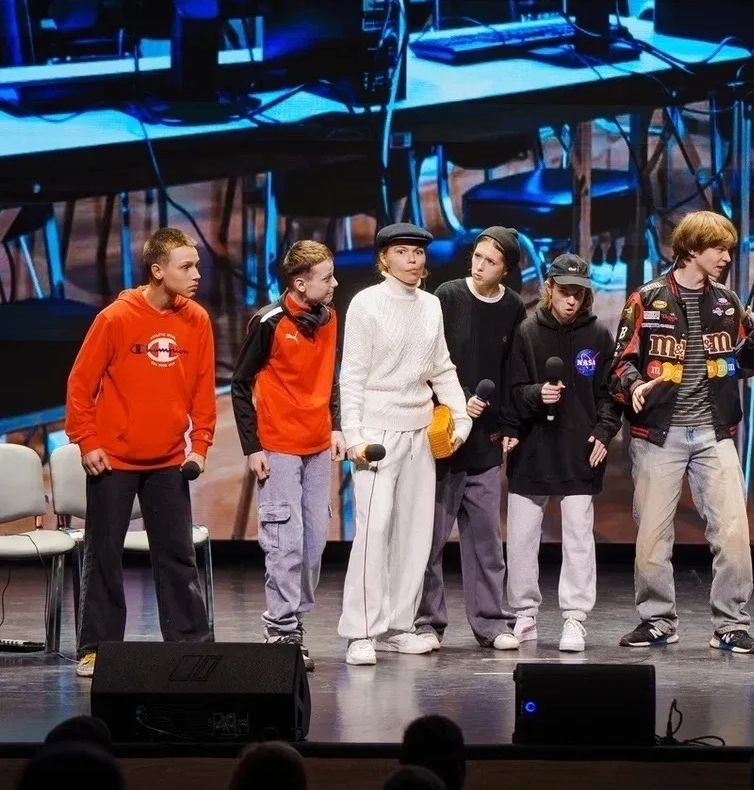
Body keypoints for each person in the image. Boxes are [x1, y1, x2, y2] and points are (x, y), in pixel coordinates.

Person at [610, 210, 754, 653]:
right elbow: (620, 362)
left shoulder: (727, 302)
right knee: (652, 538)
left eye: (728, 249)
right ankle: (657, 620)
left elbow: (744, 365)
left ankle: (731, 624)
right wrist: (635, 386)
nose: (726, 257)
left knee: (733, 533)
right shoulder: (646, 299)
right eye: (718, 249)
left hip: (713, 432)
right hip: (658, 434)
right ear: (691, 249)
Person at [65, 227, 215, 679]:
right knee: (104, 555)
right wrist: (87, 440)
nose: (196, 274)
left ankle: (190, 646)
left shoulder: (197, 320)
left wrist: (200, 445)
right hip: (113, 459)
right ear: (158, 270)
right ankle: (97, 648)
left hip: (168, 459)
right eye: (186, 266)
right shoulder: (115, 318)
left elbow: (203, 390)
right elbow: (80, 385)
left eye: (197, 265)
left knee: (177, 555)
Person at [337, 223, 472, 665]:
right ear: (384, 259)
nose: (413, 259)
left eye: (418, 252)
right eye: (403, 252)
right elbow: (352, 376)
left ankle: (399, 626)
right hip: (376, 434)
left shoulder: (431, 305)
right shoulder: (366, 304)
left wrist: (461, 417)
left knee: (414, 534)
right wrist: (354, 436)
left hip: (419, 431)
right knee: (374, 531)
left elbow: (441, 368)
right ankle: (361, 632)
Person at [231, 240, 343, 671]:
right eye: (327, 278)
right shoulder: (269, 322)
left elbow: (330, 377)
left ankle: (297, 622)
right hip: (277, 447)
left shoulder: (330, 318)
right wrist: (252, 446)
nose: (334, 284)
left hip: (317, 445)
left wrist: (335, 425)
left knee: (313, 543)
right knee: (285, 542)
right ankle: (280, 630)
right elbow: (240, 384)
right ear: (300, 283)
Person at [505, 254, 623, 652]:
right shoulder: (527, 332)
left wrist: (604, 432)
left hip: (579, 449)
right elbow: (513, 390)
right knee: (521, 538)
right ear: (549, 289)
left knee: (578, 537)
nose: (572, 300)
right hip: (533, 448)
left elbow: (609, 395)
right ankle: (525, 613)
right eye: (565, 291)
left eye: (579, 293)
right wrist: (536, 395)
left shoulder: (599, 335)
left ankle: (574, 617)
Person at [416, 228, 527, 652]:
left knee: (485, 542)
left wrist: (509, 425)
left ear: (506, 270)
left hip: (484, 441)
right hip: (443, 436)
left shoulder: (513, 306)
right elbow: (430, 360)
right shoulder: (447, 296)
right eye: (477, 257)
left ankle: (491, 623)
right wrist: (458, 400)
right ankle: (427, 622)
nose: (479, 266)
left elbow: (512, 371)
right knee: (429, 540)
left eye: (490, 261)